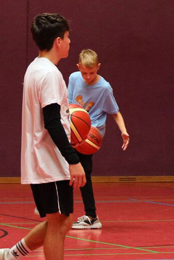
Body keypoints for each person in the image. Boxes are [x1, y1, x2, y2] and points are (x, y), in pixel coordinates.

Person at [0, 13, 86, 260]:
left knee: (61, 222)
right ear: (57, 41)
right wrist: (73, 159)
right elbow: (53, 122)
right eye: (67, 37)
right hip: (50, 161)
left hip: (41, 159)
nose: (69, 42)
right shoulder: (50, 74)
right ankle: (11, 254)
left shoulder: (34, 68)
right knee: (59, 224)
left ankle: (11, 255)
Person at [68, 49, 130, 229]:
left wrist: (123, 131)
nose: (87, 77)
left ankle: (91, 216)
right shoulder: (73, 78)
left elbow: (115, 112)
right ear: (78, 67)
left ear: (98, 68)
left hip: (92, 132)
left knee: (83, 172)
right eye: (84, 72)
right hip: (74, 127)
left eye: (92, 73)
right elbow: (68, 103)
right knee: (68, 170)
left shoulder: (104, 88)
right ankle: (70, 213)